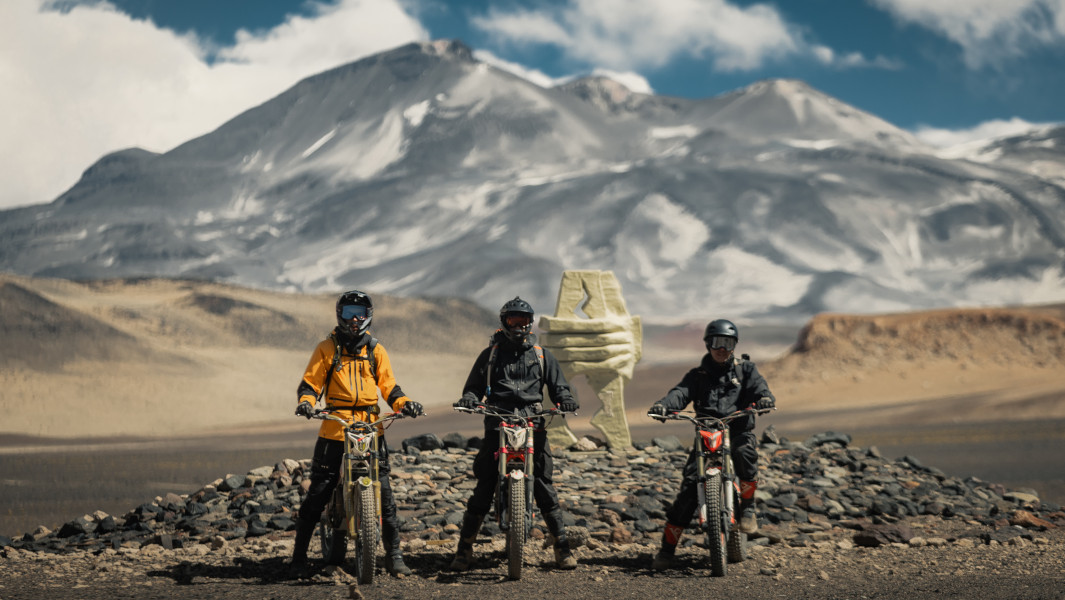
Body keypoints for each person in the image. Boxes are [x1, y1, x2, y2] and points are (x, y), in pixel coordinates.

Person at [289, 290, 424, 576]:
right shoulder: (326, 348)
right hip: (335, 426)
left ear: (369, 315)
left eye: (360, 313)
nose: (354, 319)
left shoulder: (376, 350)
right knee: (319, 491)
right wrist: (306, 403)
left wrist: (405, 404)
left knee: (385, 493)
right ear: (339, 314)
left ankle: (395, 555)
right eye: (349, 312)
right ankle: (298, 558)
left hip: (370, 428)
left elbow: (390, 387)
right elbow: (310, 385)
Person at [450, 296, 581, 571]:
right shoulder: (491, 355)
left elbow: (560, 388)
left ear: (530, 323)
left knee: (544, 485)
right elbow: (473, 387)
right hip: (498, 421)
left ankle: (562, 548)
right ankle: (464, 550)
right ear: (504, 322)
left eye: (523, 320)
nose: (518, 325)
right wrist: (470, 399)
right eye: (513, 320)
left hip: (533, 421)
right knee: (484, 485)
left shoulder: (543, 355)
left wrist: (565, 400)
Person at [648, 318, 776, 570]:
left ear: (734, 345)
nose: (722, 348)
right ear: (708, 344)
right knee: (687, 490)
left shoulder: (746, 369)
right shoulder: (698, 375)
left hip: (737, 429)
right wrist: (664, 405)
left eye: (728, 343)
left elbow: (760, 387)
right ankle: (666, 550)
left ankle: (748, 509)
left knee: (744, 453)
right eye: (717, 342)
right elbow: (680, 393)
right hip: (705, 435)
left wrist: (764, 398)